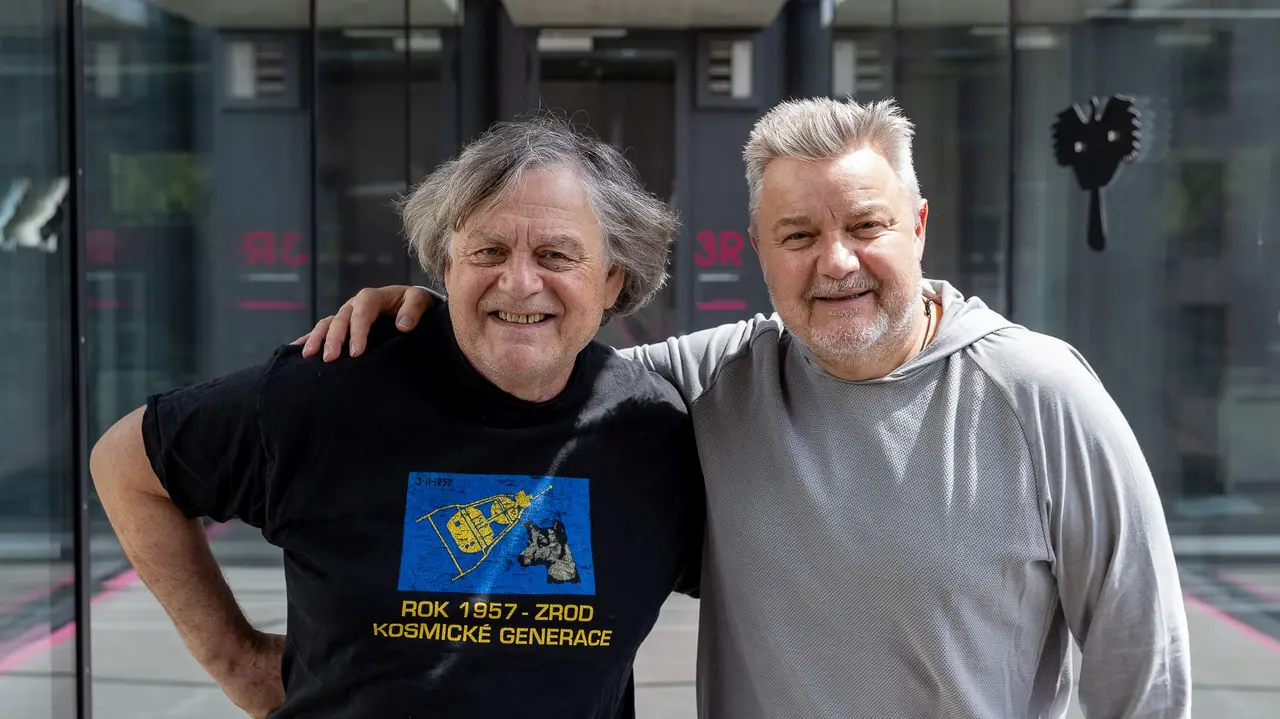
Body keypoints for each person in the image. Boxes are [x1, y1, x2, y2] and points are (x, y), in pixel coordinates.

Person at [303, 97, 1192, 718]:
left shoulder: (1040, 394)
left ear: (918, 227)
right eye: (798, 236)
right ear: (760, 251)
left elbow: (1144, 668)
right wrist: (434, 315)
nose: (835, 262)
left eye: (866, 226)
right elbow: (538, 364)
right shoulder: (715, 377)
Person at [89, 116, 704, 719]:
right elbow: (126, 465)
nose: (519, 283)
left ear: (611, 280)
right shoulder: (331, 391)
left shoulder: (657, 434)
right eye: (488, 251)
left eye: (556, 255)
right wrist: (236, 661)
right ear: (447, 267)